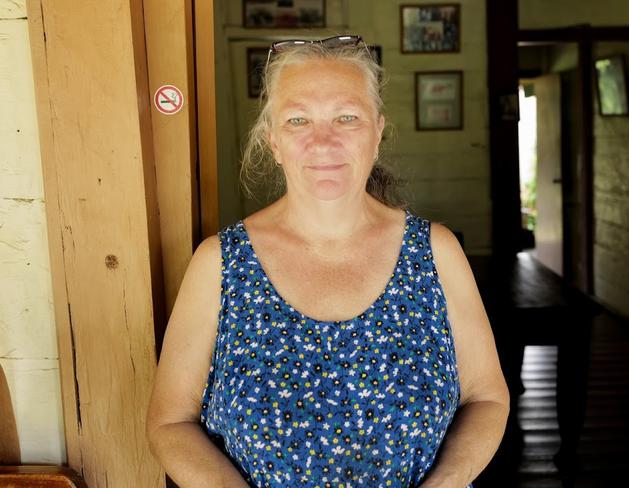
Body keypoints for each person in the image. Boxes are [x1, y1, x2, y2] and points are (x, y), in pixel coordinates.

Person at [146, 35, 509, 488]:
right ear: (273, 140)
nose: (323, 141)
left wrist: (446, 483)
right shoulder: (220, 263)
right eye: (298, 120)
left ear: (377, 132)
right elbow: (170, 422)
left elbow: (487, 398)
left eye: (346, 117)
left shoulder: (435, 252)